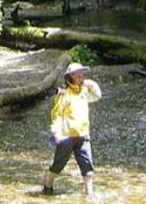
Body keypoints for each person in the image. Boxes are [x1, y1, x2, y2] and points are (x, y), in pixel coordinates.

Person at [42, 63, 103, 196]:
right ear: (71, 76)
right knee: (58, 165)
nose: (81, 76)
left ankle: (89, 193)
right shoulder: (64, 94)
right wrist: (57, 132)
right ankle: (48, 185)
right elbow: (56, 114)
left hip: (83, 135)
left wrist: (90, 83)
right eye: (78, 73)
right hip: (67, 136)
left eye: (82, 73)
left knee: (88, 169)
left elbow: (97, 95)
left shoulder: (85, 91)